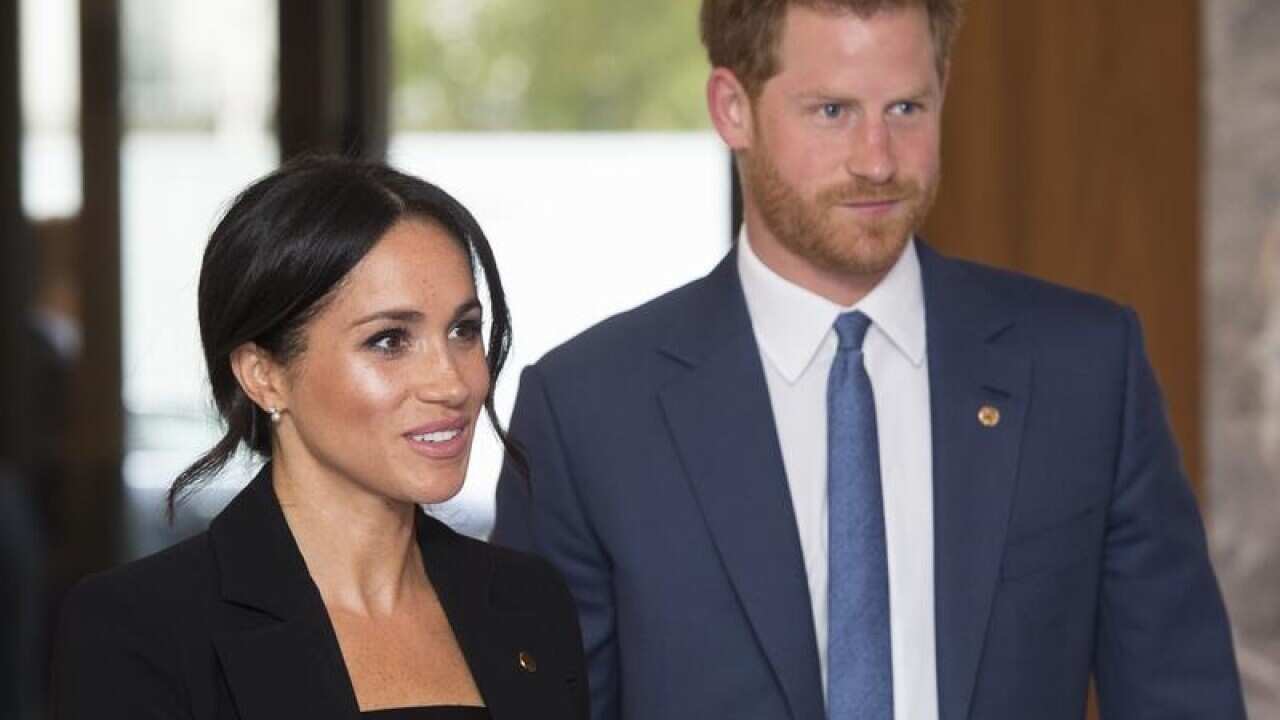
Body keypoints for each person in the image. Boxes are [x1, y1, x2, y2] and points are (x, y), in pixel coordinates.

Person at [492, 1, 1245, 718]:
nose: (878, 161)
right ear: (733, 108)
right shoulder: (589, 412)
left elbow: (1180, 698)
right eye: (833, 111)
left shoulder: (1084, 371)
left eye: (906, 109)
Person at [53, 157, 588, 719]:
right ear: (264, 375)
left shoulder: (530, 603)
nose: (452, 382)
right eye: (389, 341)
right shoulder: (139, 627)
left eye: (463, 330)